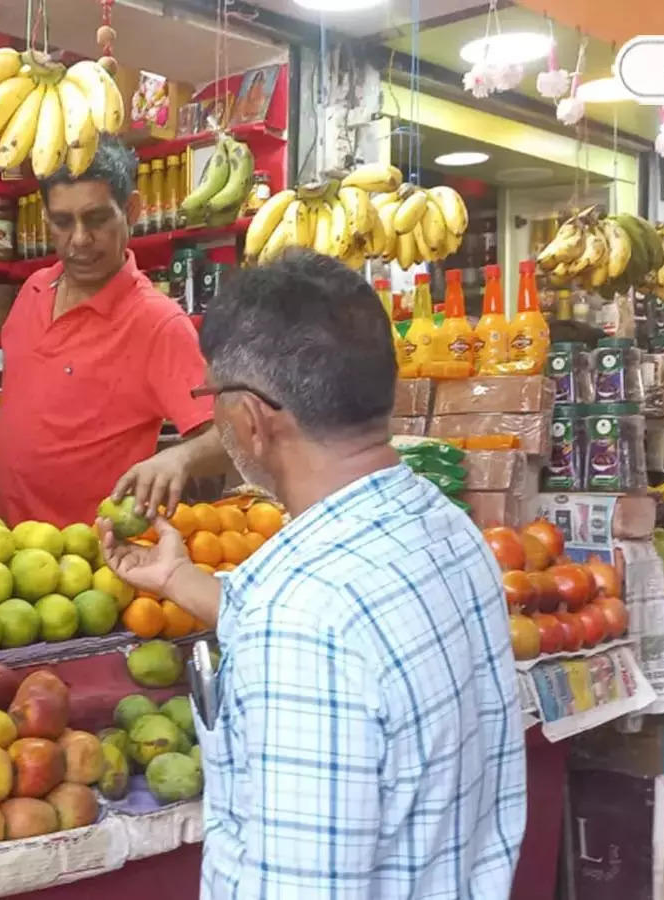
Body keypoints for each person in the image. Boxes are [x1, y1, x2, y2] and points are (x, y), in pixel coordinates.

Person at [97, 251, 526, 898]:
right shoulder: (449, 530)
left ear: (250, 419)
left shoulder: (301, 627)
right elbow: (326, 623)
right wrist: (178, 578)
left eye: (211, 400)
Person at [0, 135, 231, 527]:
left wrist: (179, 458)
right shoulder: (32, 290)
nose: (79, 239)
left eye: (96, 219)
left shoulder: (157, 323)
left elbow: (231, 438)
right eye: (63, 222)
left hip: (85, 564)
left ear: (130, 210)